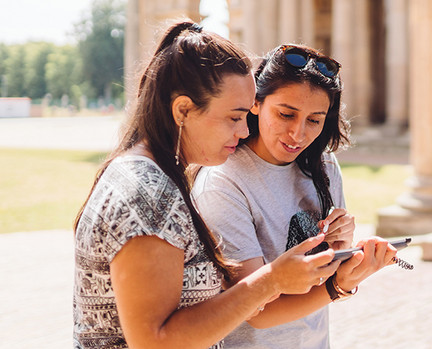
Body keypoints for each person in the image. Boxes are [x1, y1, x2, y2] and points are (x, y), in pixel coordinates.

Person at [73, 22, 341, 348]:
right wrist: (271, 281)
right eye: (234, 117)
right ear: (183, 110)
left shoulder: (149, 176)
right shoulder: (149, 194)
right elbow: (155, 342)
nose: (244, 131)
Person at [191, 43, 397, 348]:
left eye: (314, 120)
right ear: (255, 103)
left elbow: (322, 277)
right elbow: (256, 311)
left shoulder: (324, 166)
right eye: (286, 114)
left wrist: (343, 252)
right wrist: (337, 287)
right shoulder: (223, 182)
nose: (298, 134)